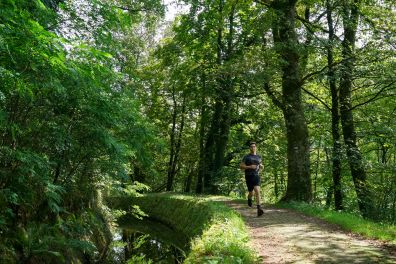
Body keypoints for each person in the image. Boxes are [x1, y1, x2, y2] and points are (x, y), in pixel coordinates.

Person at [240, 142, 264, 217]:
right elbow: (241, 166)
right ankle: (249, 198)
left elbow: (260, 165)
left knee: (257, 191)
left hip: (256, 176)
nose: (253, 148)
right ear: (249, 148)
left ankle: (259, 208)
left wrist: (261, 167)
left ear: (256, 147)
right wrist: (250, 167)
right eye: (251, 147)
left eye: (254, 146)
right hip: (248, 176)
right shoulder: (246, 157)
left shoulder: (259, 157)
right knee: (251, 193)